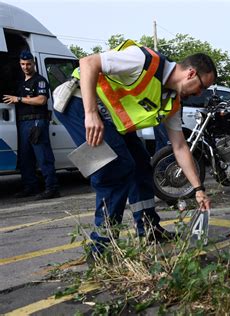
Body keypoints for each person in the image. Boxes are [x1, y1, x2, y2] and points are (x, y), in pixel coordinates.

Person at [54, 40, 215, 252]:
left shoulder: (172, 101)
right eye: (201, 88)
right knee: (116, 168)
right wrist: (91, 113)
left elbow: (180, 147)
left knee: (140, 166)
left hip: (112, 120)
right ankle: (102, 245)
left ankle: (149, 229)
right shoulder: (145, 60)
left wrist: (198, 189)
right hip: (78, 102)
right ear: (191, 73)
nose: (198, 94)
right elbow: (87, 63)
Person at [2, 51, 60, 200]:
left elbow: (41, 100)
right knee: (25, 158)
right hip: (22, 122)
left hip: (36, 122)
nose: (25, 67)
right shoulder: (21, 83)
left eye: (28, 64)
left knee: (43, 156)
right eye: (22, 64)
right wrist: (24, 98)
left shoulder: (39, 81)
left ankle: (52, 188)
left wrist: (20, 99)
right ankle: (30, 187)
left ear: (34, 63)